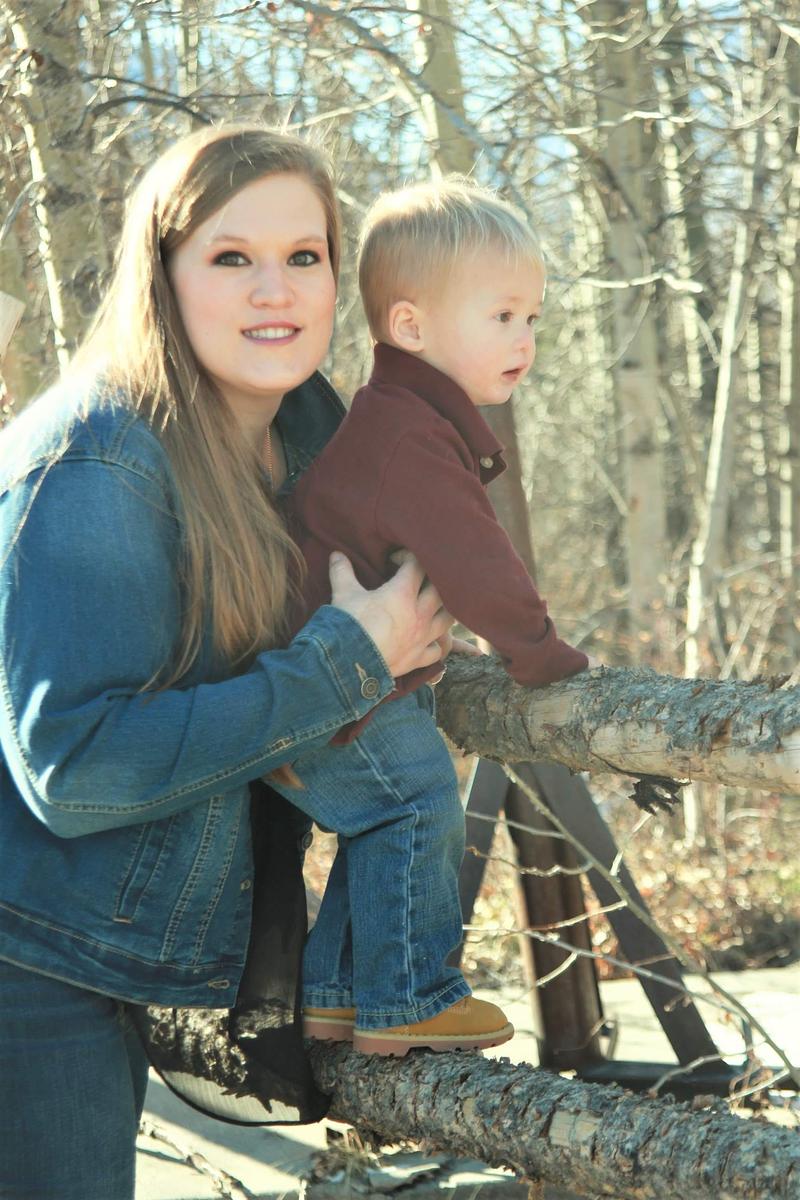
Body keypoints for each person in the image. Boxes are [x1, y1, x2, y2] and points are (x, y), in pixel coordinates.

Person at [0, 125, 457, 1200]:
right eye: (230, 256)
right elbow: (74, 766)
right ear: (162, 275)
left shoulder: (310, 433)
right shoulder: (100, 461)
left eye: (303, 255)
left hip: (110, 939)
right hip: (28, 955)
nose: (275, 290)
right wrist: (351, 661)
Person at [271, 178, 592, 1058]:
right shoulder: (410, 435)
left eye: (533, 318)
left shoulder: (399, 418)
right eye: (503, 316)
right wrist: (542, 656)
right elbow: (476, 561)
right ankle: (411, 996)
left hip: (309, 683)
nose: (525, 339)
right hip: (336, 690)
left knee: (377, 823)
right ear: (410, 327)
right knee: (415, 807)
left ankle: (338, 997)